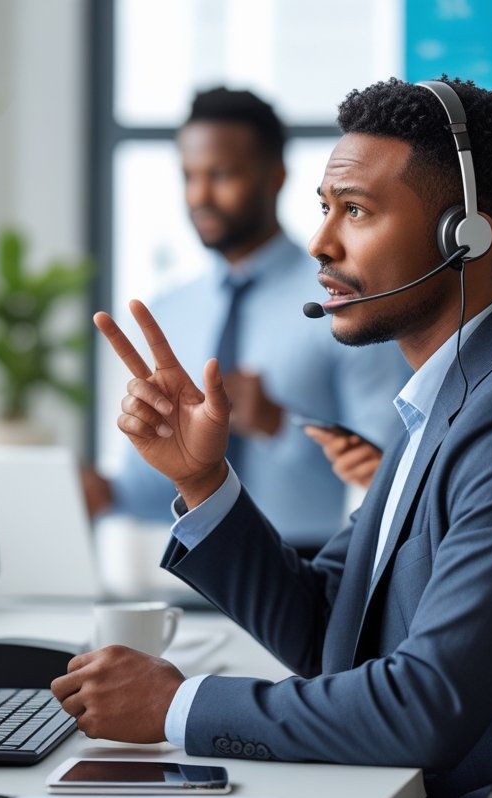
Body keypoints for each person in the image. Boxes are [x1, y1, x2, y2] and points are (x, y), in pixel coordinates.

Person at [53, 77, 492, 798]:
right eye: (326, 208)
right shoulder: (448, 400)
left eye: (355, 211)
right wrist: (202, 480)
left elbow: (425, 707)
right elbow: (333, 629)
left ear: (467, 237)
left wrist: (177, 705)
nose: (321, 243)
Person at [83, 87, 409, 557]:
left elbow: (393, 467)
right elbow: (165, 490)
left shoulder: (343, 298)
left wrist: (279, 423)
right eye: (189, 176)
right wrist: (106, 493)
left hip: (315, 566)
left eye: (222, 175)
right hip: (190, 569)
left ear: (274, 176)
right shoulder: (168, 312)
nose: (200, 195)